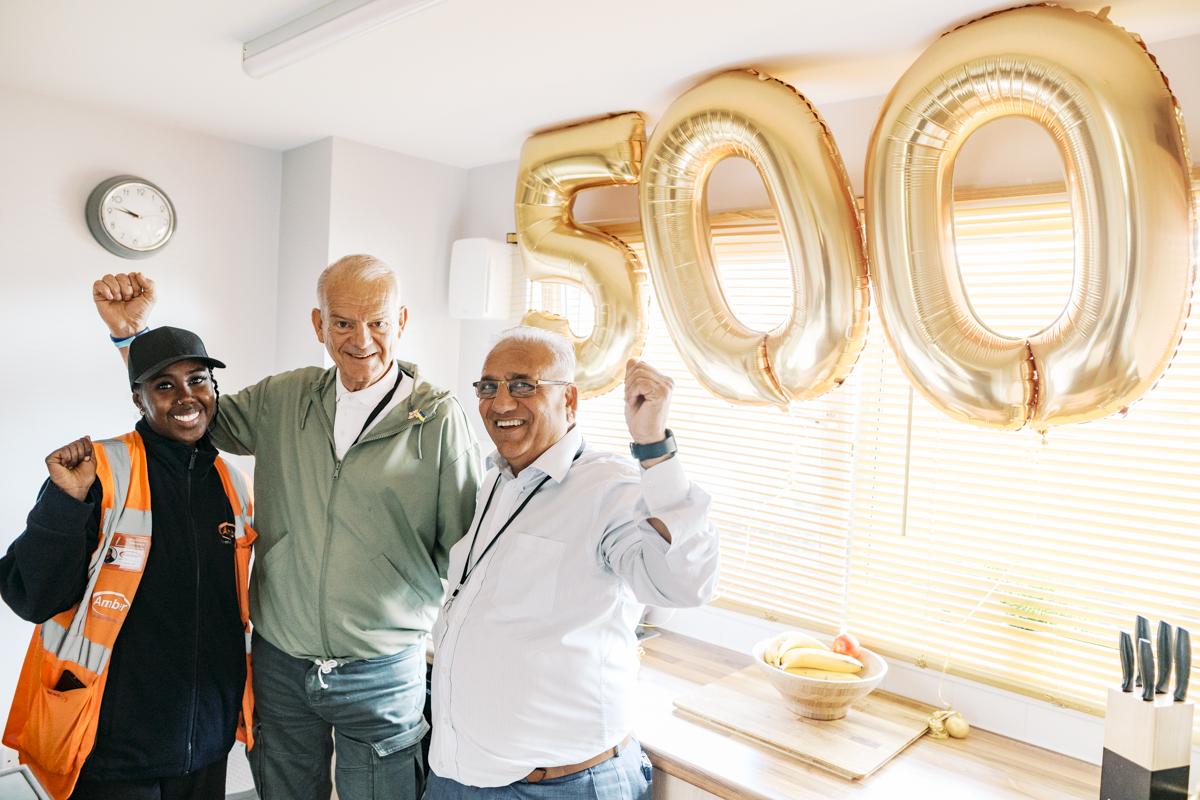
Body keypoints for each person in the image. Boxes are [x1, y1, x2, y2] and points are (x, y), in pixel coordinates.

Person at [92, 258, 482, 800]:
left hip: (381, 670)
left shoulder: (438, 419)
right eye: (342, 322)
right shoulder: (286, 397)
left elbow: (466, 553)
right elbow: (187, 411)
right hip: (282, 663)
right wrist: (132, 336)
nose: (361, 339)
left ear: (401, 321)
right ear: (319, 325)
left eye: (377, 322)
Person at [425, 327, 720, 800]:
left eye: (523, 385)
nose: (501, 402)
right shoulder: (498, 479)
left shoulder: (609, 487)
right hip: (460, 777)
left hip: (558, 787)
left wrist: (653, 446)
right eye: (489, 387)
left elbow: (683, 584)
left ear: (570, 400)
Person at [2, 327, 256, 800]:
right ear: (139, 399)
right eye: (164, 385)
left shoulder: (233, 484)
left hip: (206, 743)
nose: (186, 396)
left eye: (197, 380)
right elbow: (33, 597)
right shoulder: (97, 471)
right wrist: (65, 503)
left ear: (214, 388)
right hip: (113, 747)